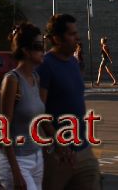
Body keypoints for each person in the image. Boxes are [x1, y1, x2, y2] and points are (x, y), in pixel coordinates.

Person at [39, 13, 101, 189]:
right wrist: (57, 143)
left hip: (83, 148)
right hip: (58, 155)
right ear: (57, 38)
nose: (77, 37)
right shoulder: (45, 65)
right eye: (72, 34)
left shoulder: (74, 63)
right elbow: (40, 110)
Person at [0, 22, 46, 190]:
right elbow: (4, 128)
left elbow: (40, 119)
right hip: (17, 161)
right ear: (26, 50)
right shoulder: (12, 80)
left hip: (36, 157)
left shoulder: (36, 78)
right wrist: (15, 172)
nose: (43, 50)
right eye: (39, 46)